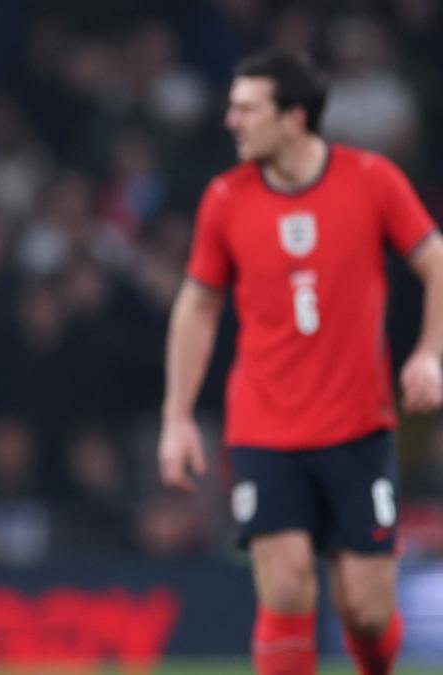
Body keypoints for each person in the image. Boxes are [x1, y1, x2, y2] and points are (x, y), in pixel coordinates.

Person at [158, 50, 442, 675]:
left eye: (246, 108)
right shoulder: (225, 199)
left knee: (365, 611)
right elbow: (197, 308)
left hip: (358, 427)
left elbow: (435, 260)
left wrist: (430, 353)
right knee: (286, 589)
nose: (231, 120)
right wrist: (177, 417)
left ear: (293, 118)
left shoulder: (371, 180)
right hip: (264, 426)